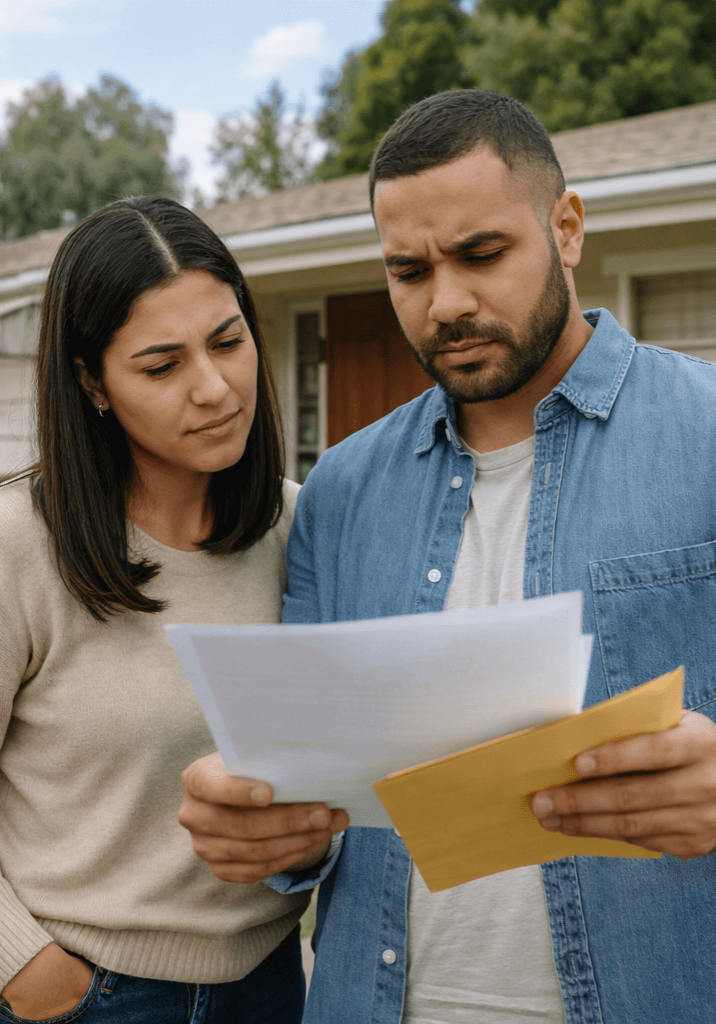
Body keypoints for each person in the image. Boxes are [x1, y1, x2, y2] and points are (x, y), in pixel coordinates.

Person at [179, 91, 716, 1023]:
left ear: (568, 227)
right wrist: (273, 834)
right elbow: (313, 808)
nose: (448, 302)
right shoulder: (338, 492)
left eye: (482, 254)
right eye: (408, 271)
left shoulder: (706, 431)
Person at [0, 195, 344, 1024]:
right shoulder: (19, 546)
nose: (215, 387)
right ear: (93, 383)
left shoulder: (309, 529)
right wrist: (28, 969)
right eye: (162, 366)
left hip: (270, 985)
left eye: (228, 342)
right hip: (85, 995)